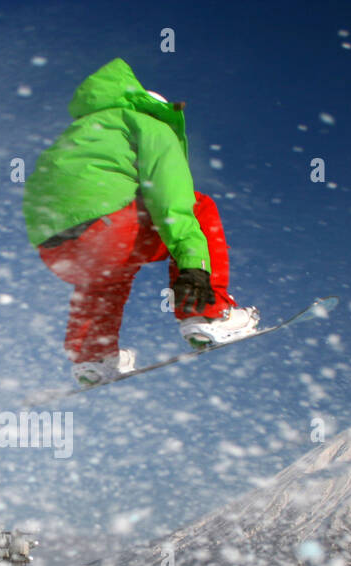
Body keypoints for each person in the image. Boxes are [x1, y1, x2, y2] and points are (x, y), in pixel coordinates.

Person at [23, 58, 260, 386]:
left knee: (109, 271)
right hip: (104, 231)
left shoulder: (78, 135)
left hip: (57, 251)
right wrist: (193, 268)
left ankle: (93, 357)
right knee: (201, 206)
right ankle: (206, 314)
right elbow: (172, 201)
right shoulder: (150, 126)